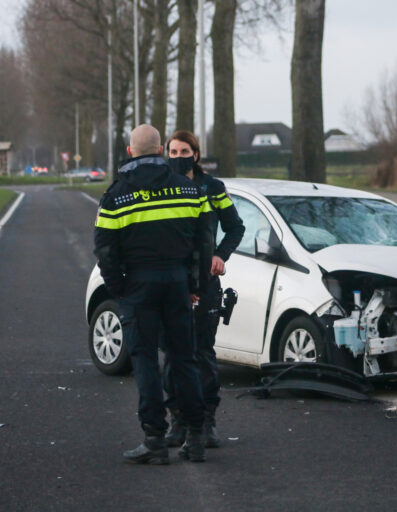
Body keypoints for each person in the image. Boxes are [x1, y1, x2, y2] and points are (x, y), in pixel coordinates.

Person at [93, 124, 214, 464]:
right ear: (161, 150)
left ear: (130, 152)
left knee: (144, 359)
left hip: (138, 285)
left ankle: (155, 439)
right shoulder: (190, 190)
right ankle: (195, 436)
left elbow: (104, 250)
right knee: (185, 358)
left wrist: (119, 289)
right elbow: (204, 244)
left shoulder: (116, 195)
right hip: (177, 283)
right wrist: (196, 287)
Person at [162, 130, 245, 449]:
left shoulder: (213, 187)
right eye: (173, 151)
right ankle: (178, 420)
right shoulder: (161, 186)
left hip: (207, 284)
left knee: (203, 354)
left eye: (185, 151)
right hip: (172, 281)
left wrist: (219, 255)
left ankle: (207, 421)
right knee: (171, 354)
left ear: (196, 154)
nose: (179, 156)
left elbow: (235, 226)